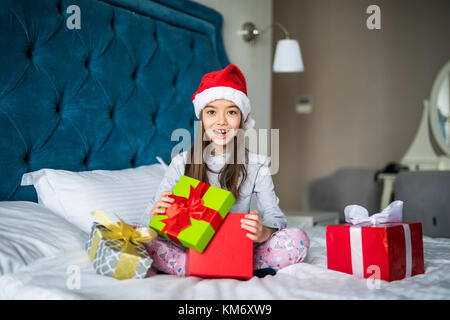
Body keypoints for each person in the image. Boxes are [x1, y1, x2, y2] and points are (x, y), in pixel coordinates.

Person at [140, 64, 309, 277]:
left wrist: (263, 231)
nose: (221, 121)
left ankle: (218, 265)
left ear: (242, 119)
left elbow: (276, 217)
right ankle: (203, 265)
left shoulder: (257, 165)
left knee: (298, 239)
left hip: (238, 248)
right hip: (190, 249)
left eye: (231, 112)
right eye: (211, 112)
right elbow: (148, 221)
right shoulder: (181, 162)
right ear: (202, 118)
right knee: (138, 233)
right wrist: (156, 213)